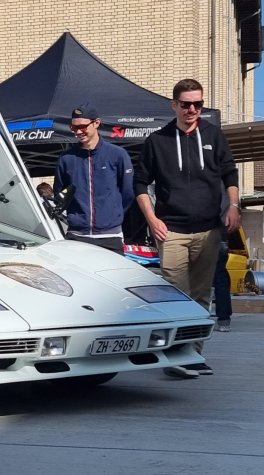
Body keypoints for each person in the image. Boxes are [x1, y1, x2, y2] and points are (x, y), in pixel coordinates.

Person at [133, 78, 239, 379]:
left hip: (209, 230)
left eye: (198, 104)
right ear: (174, 105)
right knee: (176, 294)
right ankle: (176, 354)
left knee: (202, 295)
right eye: (186, 104)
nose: (192, 109)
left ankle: (193, 355)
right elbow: (140, 183)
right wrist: (152, 218)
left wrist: (233, 206)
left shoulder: (214, 135)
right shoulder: (158, 140)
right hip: (172, 231)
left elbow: (230, 173)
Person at [52, 104, 133, 252]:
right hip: (77, 235)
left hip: (110, 235)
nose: (78, 131)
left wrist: (112, 215)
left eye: (82, 127)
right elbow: (59, 193)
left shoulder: (118, 154)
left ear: (96, 123)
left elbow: (128, 193)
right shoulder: (66, 158)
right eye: (74, 127)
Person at [212, 235, 232, 332]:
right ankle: (224, 321)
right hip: (220, 240)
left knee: (198, 280)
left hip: (199, 238)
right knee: (221, 280)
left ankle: (197, 317)